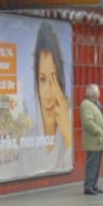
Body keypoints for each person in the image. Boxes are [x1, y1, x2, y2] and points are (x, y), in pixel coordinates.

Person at [32, 21, 72, 170]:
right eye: (42, 79)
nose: (48, 95)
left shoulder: (70, 127)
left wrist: (68, 134)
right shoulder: (28, 140)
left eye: (53, 79)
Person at [79, 82, 103, 195]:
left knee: (96, 165)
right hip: (93, 140)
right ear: (94, 94)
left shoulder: (95, 104)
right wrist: (99, 131)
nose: (99, 95)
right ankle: (88, 186)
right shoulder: (86, 105)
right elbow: (87, 122)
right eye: (98, 92)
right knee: (92, 164)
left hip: (98, 140)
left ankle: (94, 185)